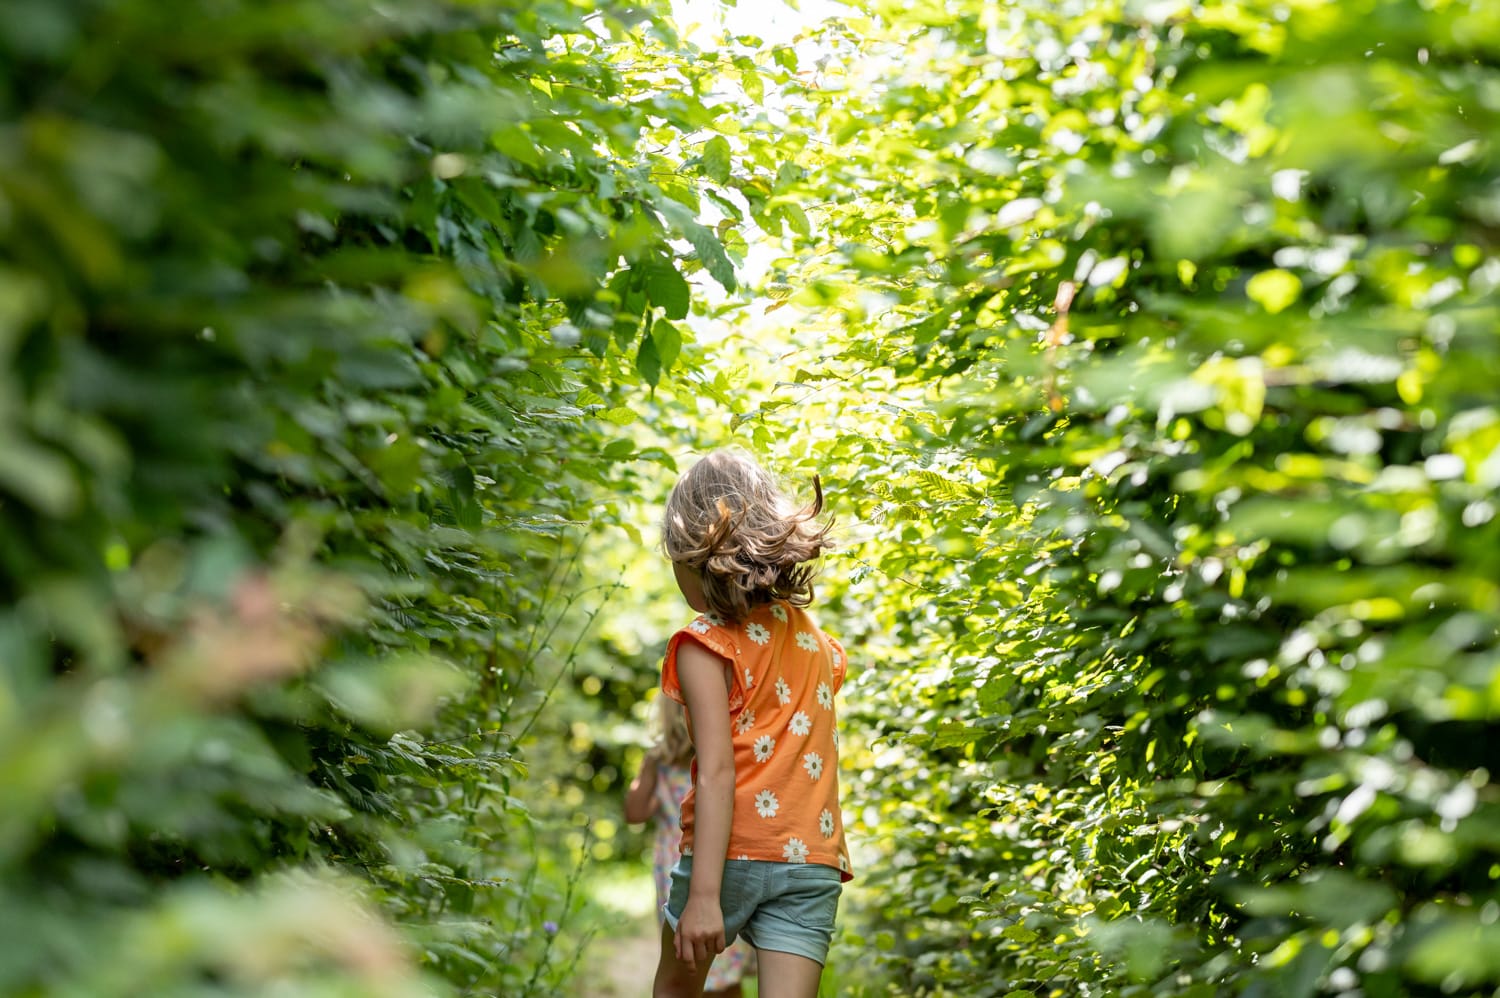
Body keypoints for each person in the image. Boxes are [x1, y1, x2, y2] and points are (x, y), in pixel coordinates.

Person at [649, 448, 852, 998]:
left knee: (675, 991)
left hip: (729, 854)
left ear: (696, 554)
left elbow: (717, 771)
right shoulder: (816, 641)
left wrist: (705, 897)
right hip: (812, 857)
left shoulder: (703, 643)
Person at [625, 696, 756, 998]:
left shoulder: (660, 760)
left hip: (675, 865)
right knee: (723, 963)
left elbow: (635, 813)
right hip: (725, 856)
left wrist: (650, 773)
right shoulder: (732, 751)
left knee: (685, 960)